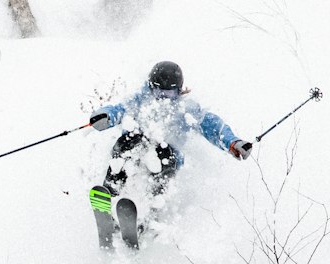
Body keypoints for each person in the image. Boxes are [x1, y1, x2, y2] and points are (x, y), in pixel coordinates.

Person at [86, 60, 252, 250]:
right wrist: (105, 116)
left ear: (178, 91)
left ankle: (148, 217)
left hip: (166, 158)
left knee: (163, 154)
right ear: (150, 87)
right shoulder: (139, 100)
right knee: (127, 141)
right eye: (159, 92)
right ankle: (110, 192)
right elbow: (117, 110)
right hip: (138, 149)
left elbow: (212, 126)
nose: (163, 98)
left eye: (169, 93)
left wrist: (232, 142)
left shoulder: (186, 109)